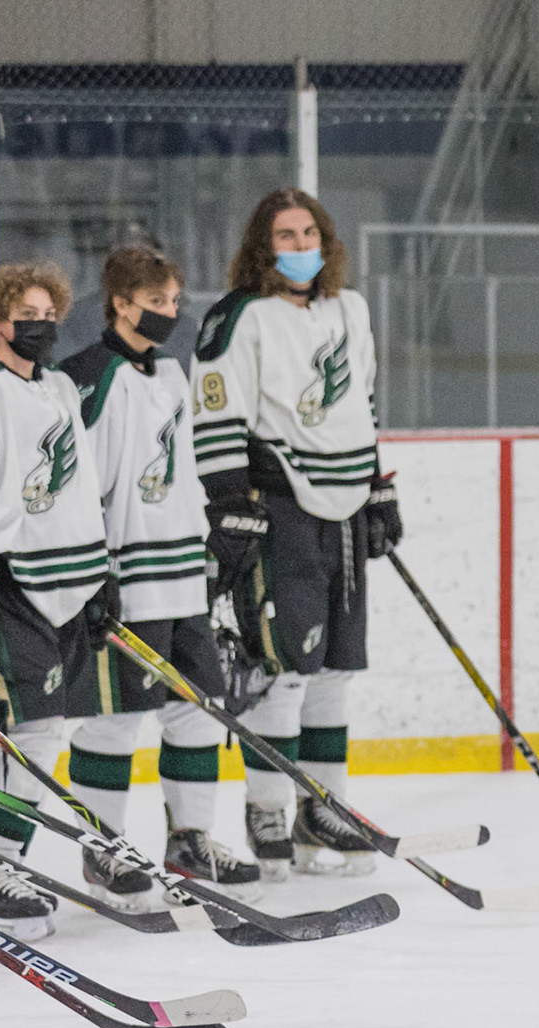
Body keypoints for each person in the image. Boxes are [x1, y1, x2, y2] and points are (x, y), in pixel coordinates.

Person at [190, 187, 402, 879]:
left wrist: (378, 488)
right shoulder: (238, 317)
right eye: (286, 235)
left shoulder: (350, 309)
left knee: (335, 671)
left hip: (345, 509)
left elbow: (362, 403)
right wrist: (230, 503)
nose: (301, 246)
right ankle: (269, 811)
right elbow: (215, 415)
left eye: (310, 233)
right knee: (282, 671)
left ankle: (324, 811)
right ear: (263, 245)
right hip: (279, 508)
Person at [58, 243, 260, 903]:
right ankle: (104, 851)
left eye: (174, 301)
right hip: (125, 579)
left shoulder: (172, 372)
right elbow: (74, 486)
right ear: (120, 303)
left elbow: (183, 470)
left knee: (197, 712)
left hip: (182, 577)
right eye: (155, 302)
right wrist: (91, 574)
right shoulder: (87, 377)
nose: (169, 313)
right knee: (115, 720)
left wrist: (212, 543)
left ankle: (189, 842)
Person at [0, 260, 114, 941]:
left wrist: (101, 574)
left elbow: (80, 485)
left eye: (48, 315)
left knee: (43, 731)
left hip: (67, 581)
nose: (41, 326)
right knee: (26, 731)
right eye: (25, 316)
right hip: (4, 581)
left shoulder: (61, 386)